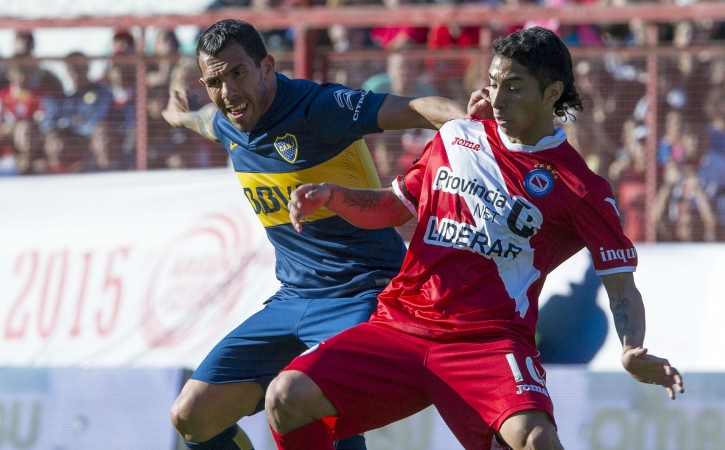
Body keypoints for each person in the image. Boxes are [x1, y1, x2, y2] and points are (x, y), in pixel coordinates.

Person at [267, 27, 684, 450]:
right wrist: (333, 196)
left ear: (552, 92)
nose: (498, 100)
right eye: (494, 83)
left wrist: (633, 348)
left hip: (487, 342)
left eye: (515, 87)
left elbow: (621, 286)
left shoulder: (580, 188)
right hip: (402, 325)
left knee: (537, 441)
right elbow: (394, 207)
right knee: (285, 398)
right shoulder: (456, 137)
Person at [161, 19, 467, 450]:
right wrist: (179, 116)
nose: (227, 91)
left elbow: (416, 107)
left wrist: (476, 128)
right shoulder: (231, 118)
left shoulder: (318, 107)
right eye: (215, 81)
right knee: (191, 419)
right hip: (293, 298)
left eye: (237, 74)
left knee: (314, 408)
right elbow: (205, 120)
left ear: (266, 67)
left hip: (364, 293)